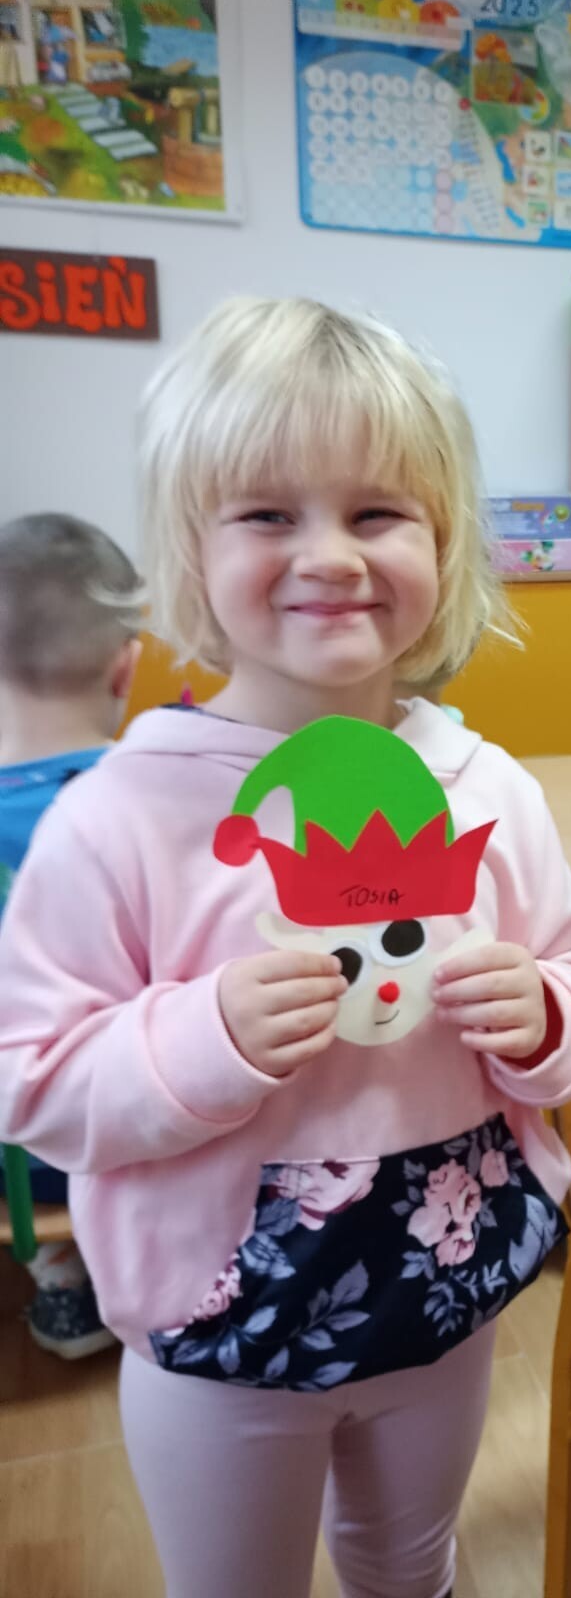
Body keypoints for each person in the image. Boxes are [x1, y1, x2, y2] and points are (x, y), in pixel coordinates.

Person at [0, 297, 571, 1598]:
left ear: (443, 543)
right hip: (217, 1329)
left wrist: (548, 1014)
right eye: (269, 514)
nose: (329, 555)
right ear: (191, 549)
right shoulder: (120, 815)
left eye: (377, 511)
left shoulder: (491, 790)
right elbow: (30, 1079)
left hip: (446, 1295)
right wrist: (202, 1036)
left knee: (411, 1564)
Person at [0, 512, 140, 1359]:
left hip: (15, 1157)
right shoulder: (159, 801)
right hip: (144, 1131)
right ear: (127, 666)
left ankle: (58, 1280)